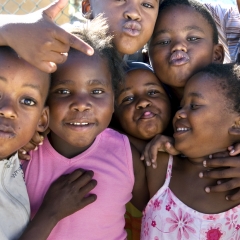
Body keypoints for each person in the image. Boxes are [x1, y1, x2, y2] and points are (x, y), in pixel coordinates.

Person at [22, 16, 148, 240]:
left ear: (114, 100)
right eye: (63, 91)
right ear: (43, 101)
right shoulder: (23, 157)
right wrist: (50, 213)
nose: (81, 104)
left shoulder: (126, 153)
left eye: (97, 91)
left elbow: (163, 209)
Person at [0, 46, 97, 240]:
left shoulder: (14, 158)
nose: (8, 110)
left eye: (27, 101)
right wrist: (50, 214)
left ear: (42, 120)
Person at [141, 63, 240, 239]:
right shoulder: (159, 165)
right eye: (181, 106)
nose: (179, 114)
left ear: (237, 124)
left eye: (194, 106)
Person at [114, 61, 172, 240]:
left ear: (171, 100)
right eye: (128, 99)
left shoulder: (193, 151)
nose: (143, 102)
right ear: (114, 114)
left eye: (153, 92)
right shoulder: (112, 154)